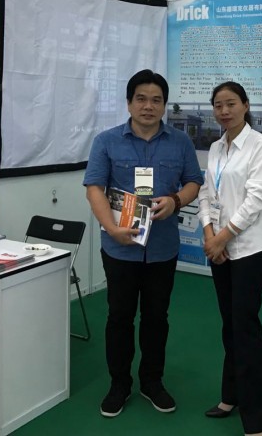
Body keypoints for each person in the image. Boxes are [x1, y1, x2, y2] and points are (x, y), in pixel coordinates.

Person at [84, 69, 203, 418]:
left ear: (164, 105)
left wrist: (176, 201)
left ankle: (152, 381)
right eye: (141, 99)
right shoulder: (106, 141)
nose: (148, 106)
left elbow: (193, 182)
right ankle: (119, 384)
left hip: (163, 248)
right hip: (119, 248)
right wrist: (111, 228)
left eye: (156, 100)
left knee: (156, 318)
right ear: (129, 102)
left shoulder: (180, 142)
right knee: (119, 317)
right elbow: (94, 188)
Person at [198, 81, 262, 436]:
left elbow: (256, 199)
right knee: (228, 325)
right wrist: (208, 233)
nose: (224, 111)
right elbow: (206, 192)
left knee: (245, 329)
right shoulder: (217, 147)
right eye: (218, 105)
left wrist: (223, 237)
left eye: (231, 103)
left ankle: (256, 420)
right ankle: (230, 395)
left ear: (246, 105)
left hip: (247, 250)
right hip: (219, 248)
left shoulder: (259, 145)